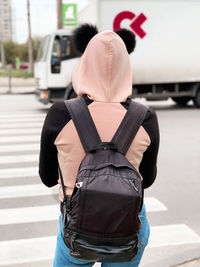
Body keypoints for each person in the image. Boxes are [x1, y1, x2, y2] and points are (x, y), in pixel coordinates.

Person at [39, 24, 159, 267]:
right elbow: (147, 179)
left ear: (83, 63)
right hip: (129, 225)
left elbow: (47, 177)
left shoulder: (61, 114)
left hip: (75, 227)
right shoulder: (145, 118)